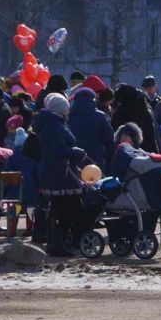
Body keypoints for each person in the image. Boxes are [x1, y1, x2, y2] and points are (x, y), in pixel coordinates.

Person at [34, 93, 89, 257]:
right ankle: (58, 242)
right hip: (61, 172)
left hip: (54, 171)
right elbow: (57, 150)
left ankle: (55, 242)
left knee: (58, 208)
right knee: (71, 207)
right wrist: (76, 152)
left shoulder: (50, 122)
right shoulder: (55, 125)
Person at [67, 87, 114, 169]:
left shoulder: (68, 116)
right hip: (96, 160)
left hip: (74, 160)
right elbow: (109, 139)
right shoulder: (100, 116)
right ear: (93, 100)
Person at [111, 83, 159, 154]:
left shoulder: (120, 114)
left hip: (126, 155)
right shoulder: (145, 110)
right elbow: (151, 138)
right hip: (146, 154)